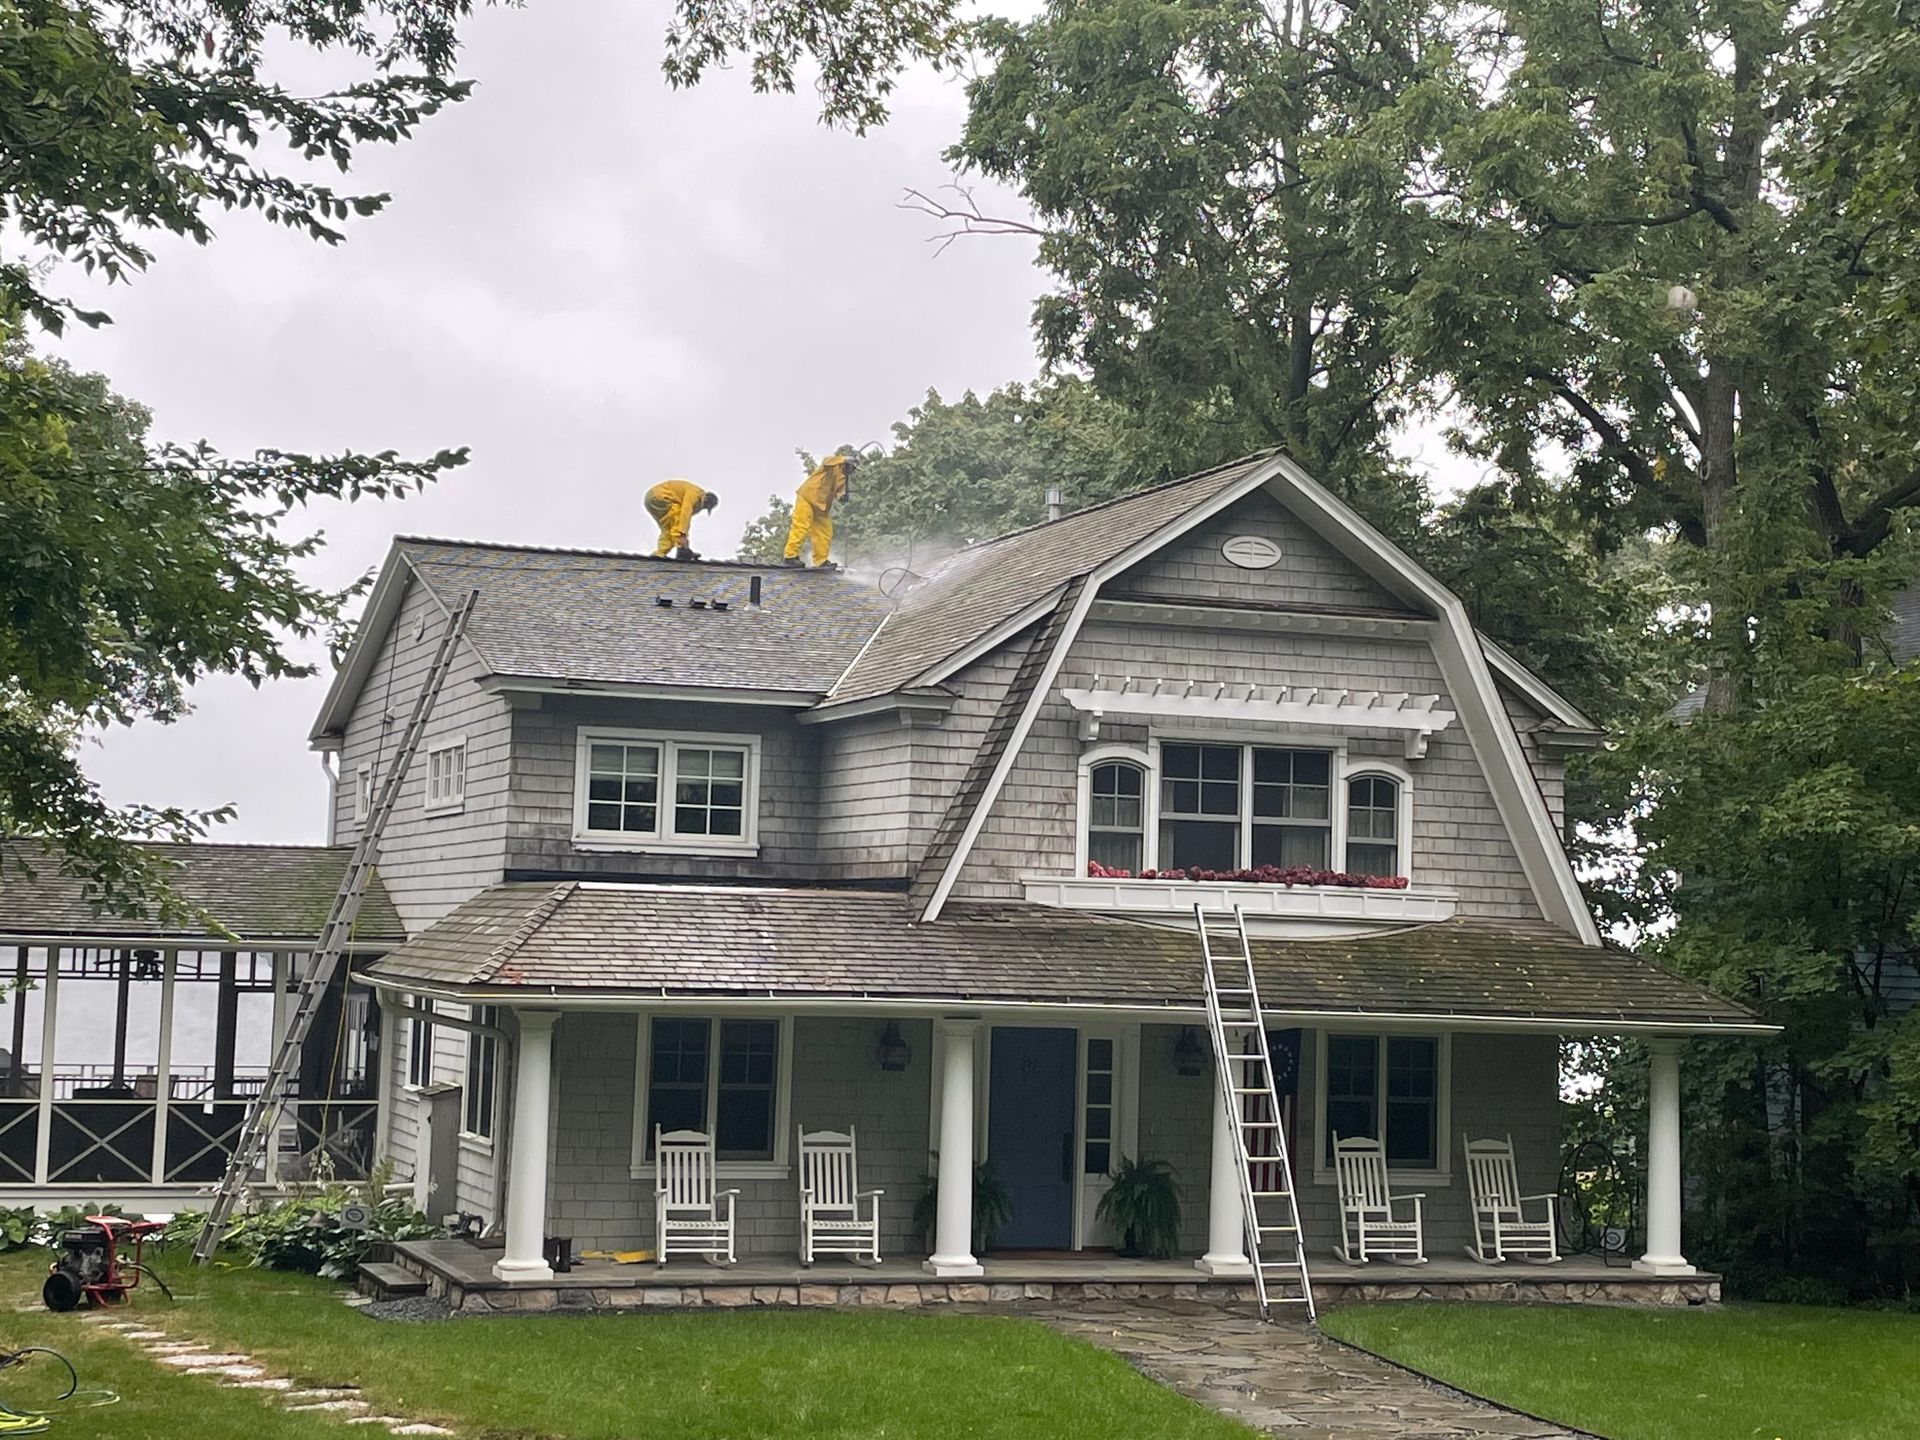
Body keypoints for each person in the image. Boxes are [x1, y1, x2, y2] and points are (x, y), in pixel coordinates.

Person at [781, 452, 857, 570]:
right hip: (807, 498)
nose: (853, 471)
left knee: (825, 532)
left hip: (821, 505)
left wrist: (841, 497)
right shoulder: (832, 465)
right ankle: (790, 556)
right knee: (801, 526)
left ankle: (821, 561)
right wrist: (843, 458)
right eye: (852, 467)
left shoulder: (843, 478)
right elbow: (826, 461)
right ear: (846, 464)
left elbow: (836, 491)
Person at [644, 479, 717, 560]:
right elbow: (685, 512)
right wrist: (682, 535)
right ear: (706, 499)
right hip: (660, 496)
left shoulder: (695, 496)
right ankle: (682, 547)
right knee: (678, 519)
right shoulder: (696, 493)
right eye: (705, 506)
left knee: (668, 528)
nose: (703, 508)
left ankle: (660, 553)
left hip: (651, 499)